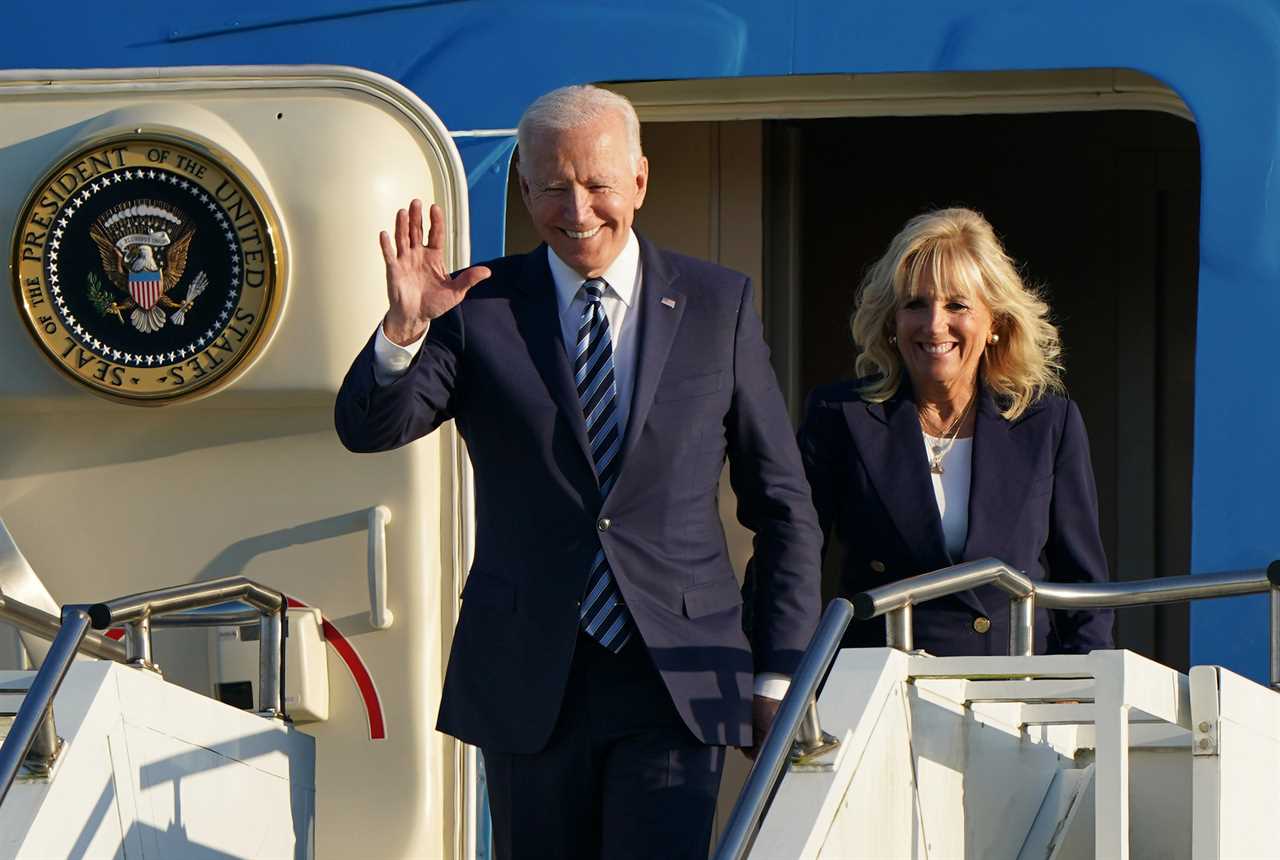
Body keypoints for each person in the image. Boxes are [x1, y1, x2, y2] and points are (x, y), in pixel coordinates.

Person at [335, 85, 821, 859]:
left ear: (639, 180)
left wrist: (777, 675)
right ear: (524, 189)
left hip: (677, 679)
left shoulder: (716, 304)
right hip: (531, 676)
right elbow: (370, 429)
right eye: (554, 187)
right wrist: (403, 330)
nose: (578, 208)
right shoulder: (474, 307)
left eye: (597, 184)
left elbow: (784, 507)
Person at [798, 207, 1113, 655]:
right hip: (883, 688)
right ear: (892, 322)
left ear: (994, 325)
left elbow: (1084, 589)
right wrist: (779, 675)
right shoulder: (840, 416)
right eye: (915, 304)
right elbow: (791, 559)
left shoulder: (1047, 424)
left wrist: (1082, 695)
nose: (933, 325)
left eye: (957, 305)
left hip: (1014, 692)